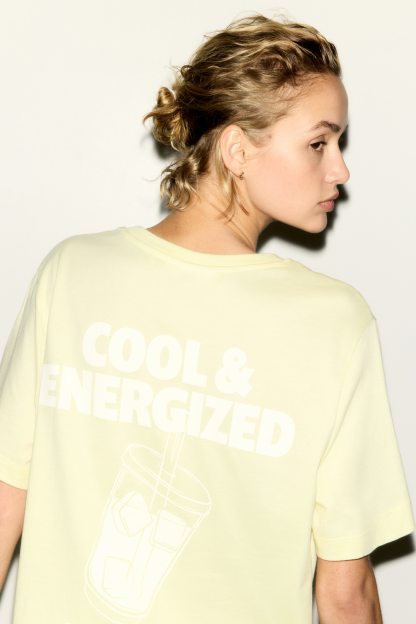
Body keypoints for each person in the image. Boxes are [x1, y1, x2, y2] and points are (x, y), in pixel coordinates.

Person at [0, 13, 414, 624]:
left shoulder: (72, 272)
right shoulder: (332, 324)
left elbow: (4, 501)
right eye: (319, 143)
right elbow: (347, 594)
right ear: (237, 149)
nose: (340, 170)